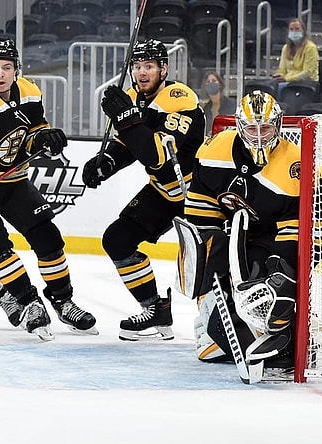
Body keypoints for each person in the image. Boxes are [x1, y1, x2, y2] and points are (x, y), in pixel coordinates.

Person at [0, 38, 97, 341]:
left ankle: (63, 301)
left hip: (12, 178)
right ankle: (29, 302)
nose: (0, 74)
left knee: (48, 238)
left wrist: (45, 138)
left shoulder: (30, 92)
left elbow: (31, 132)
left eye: (6, 67)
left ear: (17, 69)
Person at [81, 39, 205, 341]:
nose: (141, 72)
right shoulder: (133, 97)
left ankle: (225, 322)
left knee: (206, 263)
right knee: (117, 240)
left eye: (149, 66)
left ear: (164, 68)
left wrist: (125, 120)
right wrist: (105, 163)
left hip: (198, 195)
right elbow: (128, 145)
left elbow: (158, 157)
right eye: (137, 66)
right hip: (164, 191)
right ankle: (155, 311)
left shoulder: (179, 98)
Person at [177, 91, 298, 371]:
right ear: (239, 126)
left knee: (268, 278)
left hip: (270, 237)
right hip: (233, 232)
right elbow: (200, 211)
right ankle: (211, 324)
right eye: (252, 128)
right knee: (206, 254)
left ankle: (281, 335)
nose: (259, 136)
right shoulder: (214, 150)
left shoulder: (294, 164)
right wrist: (214, 253)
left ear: (277, 126)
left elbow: (294, 226)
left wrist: (281, 266)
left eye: (266, 127)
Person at [272, 17, 320, 93]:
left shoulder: (310, 48)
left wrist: (287, 79)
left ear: (303, 31)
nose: (294, 32)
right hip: (288, 81)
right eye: (291, 29)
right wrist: (279, 76)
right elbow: (282, 69)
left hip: (307, 83)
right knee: (270, 86)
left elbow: (307, 73)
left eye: (297, 29)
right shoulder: (285, 48)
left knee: (280, 88)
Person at [200, 70, 235, 136]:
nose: (211, 83)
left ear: (220, 84)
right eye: (208, 82)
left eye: (214, 81)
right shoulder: (206, 109)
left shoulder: (231, 105)